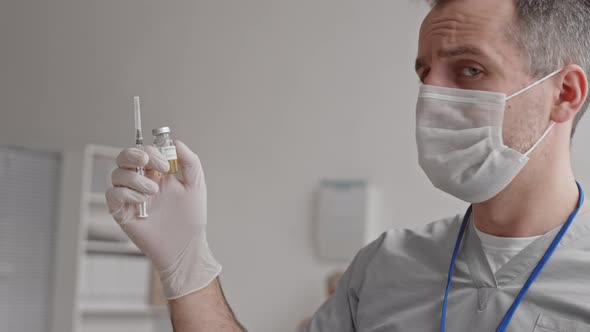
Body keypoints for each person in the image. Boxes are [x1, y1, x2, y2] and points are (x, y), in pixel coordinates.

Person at [106, 0, 590, 330]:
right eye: (426, 74)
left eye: (469, 70)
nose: (433, 98)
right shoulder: (386, 267)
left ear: (564, 93)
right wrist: (186, 264)